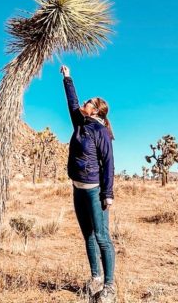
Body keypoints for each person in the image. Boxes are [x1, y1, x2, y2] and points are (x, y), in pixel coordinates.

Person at [60, 64, 116, 302]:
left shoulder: (100, 132)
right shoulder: (80, 123)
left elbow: (109, 162)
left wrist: (108, 193)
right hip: (77, 188)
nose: (85, 102)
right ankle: (95, 277)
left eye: (90, 102)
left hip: (94, 191)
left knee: (102, 237)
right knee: (88, 236)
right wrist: (68, 78)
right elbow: (72, 102)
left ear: (96, 112)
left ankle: (110, 286)